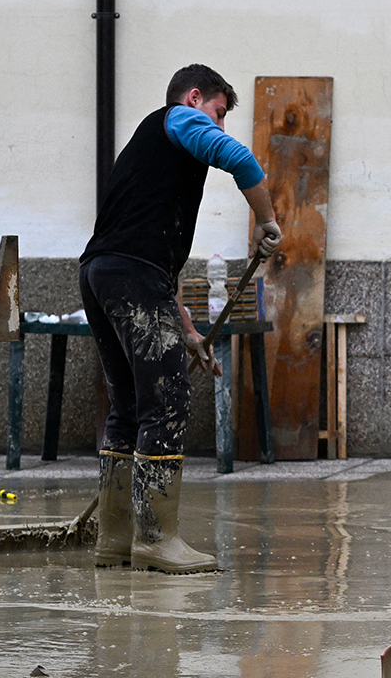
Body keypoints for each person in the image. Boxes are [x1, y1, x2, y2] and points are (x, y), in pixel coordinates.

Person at [81, 65, 281, 573]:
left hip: (103, 271)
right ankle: (155, 540)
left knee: (127, 407)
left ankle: (115, 540)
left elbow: (154, 271)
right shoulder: (178, 119)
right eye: (218, 113)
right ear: (195, 98)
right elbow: (240, 160)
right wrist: (266, 220)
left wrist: (188, 332)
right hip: (130, 274)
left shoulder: (153, 153)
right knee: (166, 401)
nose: (219, 127)